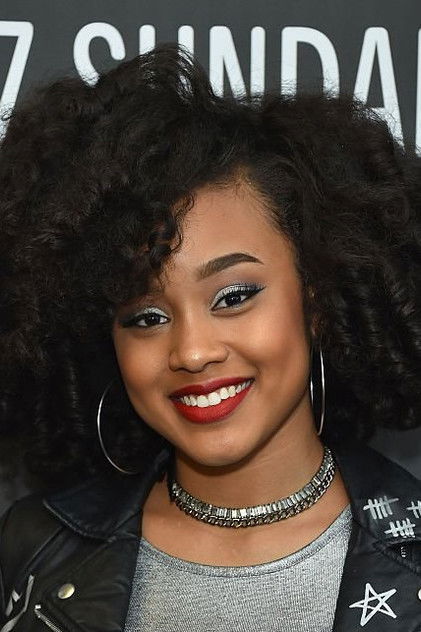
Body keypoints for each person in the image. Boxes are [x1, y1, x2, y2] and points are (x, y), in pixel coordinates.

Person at [0, 42, 421, 632]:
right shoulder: (30, 551)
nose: (193, 352)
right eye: (146, 317)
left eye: (234, 296)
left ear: (316, 299)